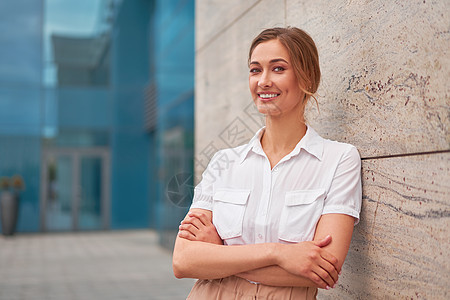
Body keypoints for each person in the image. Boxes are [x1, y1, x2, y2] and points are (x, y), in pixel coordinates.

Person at [172, 27, 362, 300]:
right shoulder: (224, 162)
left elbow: (324, 269)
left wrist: (220, 255)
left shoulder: (339, 160)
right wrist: (280, 253)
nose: (263, 81)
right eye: (255, 70)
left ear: (306, 77)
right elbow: (183, 261)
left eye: (278, 69)